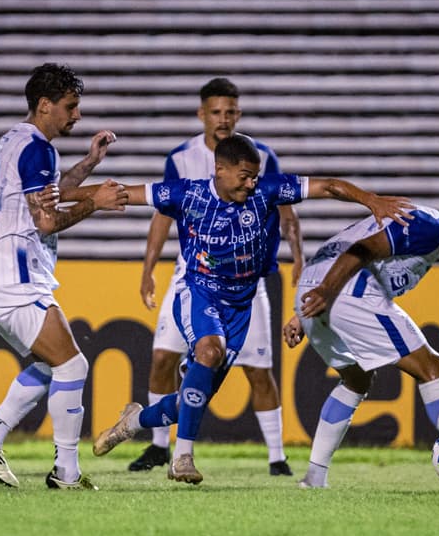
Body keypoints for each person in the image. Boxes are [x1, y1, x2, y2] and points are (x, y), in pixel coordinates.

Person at [92, 134, 411, 484]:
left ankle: (133, 421)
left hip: (243, 300)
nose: (251, 182)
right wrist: (66, 198)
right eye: (244, 175)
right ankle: (182, 457)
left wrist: (371, 200)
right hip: (199, 289)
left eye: (254, 175)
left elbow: (329, 186)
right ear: (220, 169)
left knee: (189, 403)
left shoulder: (265, 191)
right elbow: (124, 194)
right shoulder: (189, 191)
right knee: (207, 351)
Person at [282, 187, 439, 494]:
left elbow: (350, 248)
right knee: (432, 366)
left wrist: (305, 311)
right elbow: (361, 250)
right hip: (342, 288)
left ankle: (314, 478)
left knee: (356, 379)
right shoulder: (429, 227)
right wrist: (327, 291)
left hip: (318, 288)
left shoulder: (426, 232)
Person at [0, 63, 129, 490]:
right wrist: (96, 204)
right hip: (13, 275)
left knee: (49, 363)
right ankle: (67, 473)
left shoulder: (17, 140)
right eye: (70, 107)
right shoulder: (37, 148)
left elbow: (51, 190)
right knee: (72, 363)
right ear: (44, 105)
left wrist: (91, 164)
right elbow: (47, 221)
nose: (76, 116)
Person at [132, 77, 303, 476]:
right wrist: (147, 271)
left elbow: (285, 208)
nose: (223, 119)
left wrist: (299, 256)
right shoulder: (181, 158)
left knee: (259, 369)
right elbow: (163, 214)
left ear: (238, 114)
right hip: (192, 276)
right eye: (216, 112)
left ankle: (277, 457)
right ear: (202, 114)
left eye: (230, 112)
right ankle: (160, 448)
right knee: (162, 357)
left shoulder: (258, 157)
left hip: (245, 281)